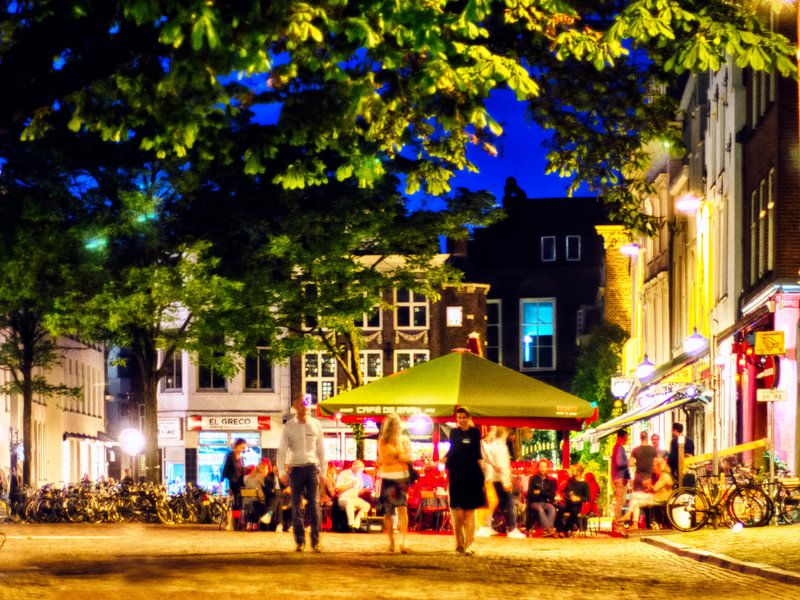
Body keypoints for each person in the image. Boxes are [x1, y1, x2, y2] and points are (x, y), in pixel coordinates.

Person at [277, 396, 327, 552]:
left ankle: (316, 541)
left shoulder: (316, 425)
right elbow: (282, 450)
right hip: (296, 468)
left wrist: (324, 472)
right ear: (294, 406)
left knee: (314, 505)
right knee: (296, 506)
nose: (304, 405)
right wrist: (282, 471)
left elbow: (321, 450)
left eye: (306, 403)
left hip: (312, 468)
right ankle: (300, 541)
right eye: (301, 403)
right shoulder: (289, 427)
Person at [444, 406, 486, 556]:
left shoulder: (475, 432)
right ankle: (458, 541)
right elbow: (452, 450)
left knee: (470, 513)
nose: (461, 420)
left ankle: (469, 544)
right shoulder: (454, 432)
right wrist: (441, 461)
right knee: (458, 513)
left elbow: (477, 452)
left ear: (468, 418)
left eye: (463, 417)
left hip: (473, 475)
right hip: (457, 475)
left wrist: (484, 470)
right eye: (458, 418)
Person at [377, 413, 413, 553]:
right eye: (397, 425)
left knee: (402, 508)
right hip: (387, 477)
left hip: (401, 478)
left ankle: (403, 541)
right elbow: (385, 459)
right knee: (388, 511)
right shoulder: (382, 441)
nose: (399, 428)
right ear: (391, 426)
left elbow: (410, 458)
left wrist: (398, 457)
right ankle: (391, 542)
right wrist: (400, 456)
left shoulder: (402, 440)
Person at [484, 427, 525, 538]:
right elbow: (502, 466)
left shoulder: (491, 444)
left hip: (493, 479)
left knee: (493, 503)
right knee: (508, 504)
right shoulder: (500, 446)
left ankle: (486, 527)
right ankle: (511, 528)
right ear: (504, 433)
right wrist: (507, 482)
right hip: (500, 480)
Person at [556, 463, 590, 537]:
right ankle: (559, 529)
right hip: (568, 502)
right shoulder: (570, 480)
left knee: (574, 512)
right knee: (560, 509)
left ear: (578, 472)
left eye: (573, 470)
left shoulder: (585, 483)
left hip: (577, 505)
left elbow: (588, 497)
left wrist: (578, 498)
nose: (571, 472)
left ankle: (564, 530)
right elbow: (566, 490)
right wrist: (567, 494)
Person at [336, 460, 372, 530]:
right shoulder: (344, 474)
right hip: (344, 497)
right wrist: (350, 485)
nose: (360, 472)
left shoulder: (359, 476)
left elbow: (358, 491)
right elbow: (338, 489)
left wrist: (364, 491)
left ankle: (356, 524)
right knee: (349, 502)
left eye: (361, 470)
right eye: (358, 469)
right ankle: (351, 524)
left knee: (366, 505)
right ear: (354, 467)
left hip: (354, 498)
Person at [526, 459, 557, 537]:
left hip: (546, 502)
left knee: (552, 508)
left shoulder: (551, 480)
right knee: (540, 509)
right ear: (538, 468)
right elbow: (531, 494)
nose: (542, 468)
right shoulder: (533, 479)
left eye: (544, 467)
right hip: (534, 502)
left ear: (547, 468)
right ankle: (549, 529)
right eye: (541, 466)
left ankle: (547, 531)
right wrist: (545, 493)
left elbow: (552, 495)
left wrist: (540, 492)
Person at [221, 438, 247, 530]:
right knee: (236, 502)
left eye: (244, 447)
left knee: (240, 502)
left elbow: (241, 470)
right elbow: (225, 468)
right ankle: (235, 522)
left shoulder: (241, 458)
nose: (243, 449)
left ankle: (239, 522)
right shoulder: (230, 456)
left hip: (241, 482)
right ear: (236, 446)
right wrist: (221, 481)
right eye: (242, 447)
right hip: (233, 481)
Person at [611, 429, 630, 527]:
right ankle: (617, 521)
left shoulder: (616, 448)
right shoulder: (619, 448)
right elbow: (619, 463)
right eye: (626, 438)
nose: (627, 440)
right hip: (620, 477)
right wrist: (628, 462)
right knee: (621, 501)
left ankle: (617, 521)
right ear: (621, 437)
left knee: (620, 500)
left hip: (617, 476)